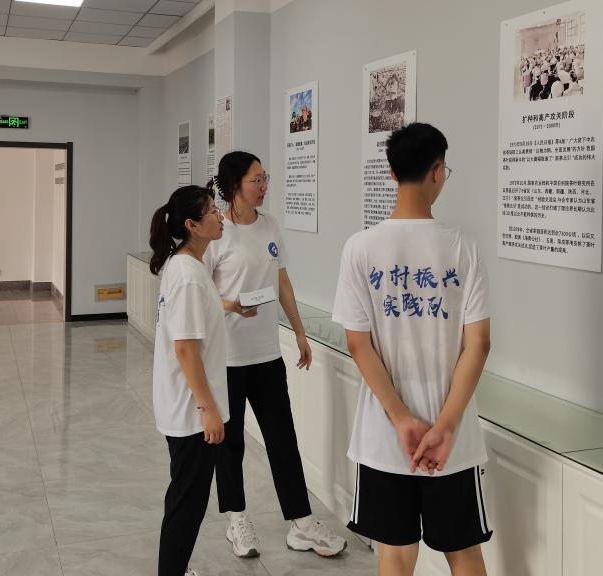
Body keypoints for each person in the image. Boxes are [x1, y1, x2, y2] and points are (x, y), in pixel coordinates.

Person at [333, 123, 493, 576]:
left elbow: (357, 344)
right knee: (464, 553)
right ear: (437, 171)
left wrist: (402, 418)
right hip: (452, 440)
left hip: (386, 438)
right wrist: (445, 425)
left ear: (391, 172)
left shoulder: (359, 248)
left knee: (395, 554)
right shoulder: (463, 247)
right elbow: (479, 345)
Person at [205, 151, 347, 559]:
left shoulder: (270, 225)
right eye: (257, 180)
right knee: (230, 444)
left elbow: (282, 281)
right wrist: (231, 305)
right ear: (235, 186)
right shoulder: (217, 233)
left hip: (266, 355)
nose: (264, 186)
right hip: (228, 358)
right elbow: (201, 294)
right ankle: (236, 519)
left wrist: (300, 332)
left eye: (265, 178)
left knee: (283, 439)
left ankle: (301, 523)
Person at [150, 185, 230, 576]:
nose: (220, 216)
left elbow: (192, 319)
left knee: (185, 498)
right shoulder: (188, 275)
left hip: (183, 407)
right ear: (192, 225)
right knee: (187, 504)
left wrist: (228, 306)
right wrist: (207, 408)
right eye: (213, 211)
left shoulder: (185, 265)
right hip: (191, 413)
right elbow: (185, 349)